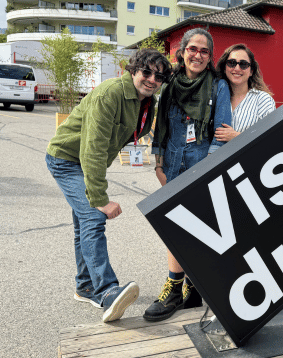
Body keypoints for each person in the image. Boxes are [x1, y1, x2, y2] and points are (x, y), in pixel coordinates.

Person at [45, 48, 171, 322]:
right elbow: (92, 149)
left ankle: (85, 286)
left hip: (85, 162)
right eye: (146, 72)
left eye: (158, 76)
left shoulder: (145, 103)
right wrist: (100, 198)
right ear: (133, 70)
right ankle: (106, 292)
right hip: (66, 160)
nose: (152, 79)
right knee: (93, 215)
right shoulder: (111, 93)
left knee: (83, 225)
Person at [144, 28, 232, 322]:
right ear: (182, 52)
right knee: (174, 225)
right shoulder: (168, 85)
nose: (197, 55)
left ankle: (186, 288)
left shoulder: (218, 86)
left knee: (199, 228)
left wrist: (207, 170)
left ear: (210, 58)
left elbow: (220, 134)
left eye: (204, 51)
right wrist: (158, 165)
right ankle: (180, 289)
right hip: (172, 163)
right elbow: (160, 128)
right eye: (193, 49)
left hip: (202, 164)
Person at [214, 43, 276, 142]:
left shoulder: (263, 100)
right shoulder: (214, 96)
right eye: (231, 63)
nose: (237, 69)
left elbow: (271, 138)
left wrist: (237, 137)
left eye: (243, 64)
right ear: (224, 68)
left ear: (251, 71)